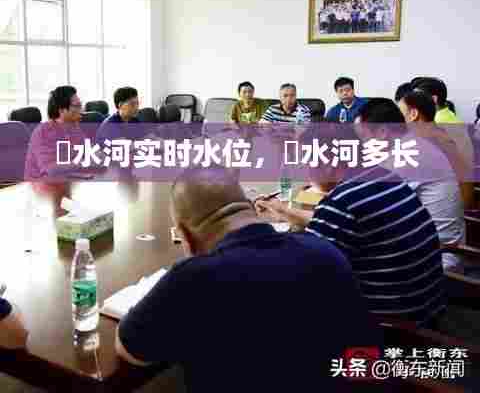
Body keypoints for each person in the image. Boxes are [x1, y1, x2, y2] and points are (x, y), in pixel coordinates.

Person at [116, 168, 381, 393]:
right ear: (252, 208)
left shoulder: (194, 278)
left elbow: (130, 349)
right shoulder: (325, 252)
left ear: (185, 236)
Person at [257, 113, 445, 327]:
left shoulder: (341, 201)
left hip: (389, 324)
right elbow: (340, 226)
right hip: (426, 307)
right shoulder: (385, 176)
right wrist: (282, 210)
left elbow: (308, 276)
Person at [398, 90, 473, 221]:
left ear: (413, 114)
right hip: (456, 221)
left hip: (432, 228)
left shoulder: (419, 148)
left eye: (400, 114)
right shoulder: (443, 136)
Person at [24, 86, 88, 216]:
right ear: (62, 110)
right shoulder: (43, 132)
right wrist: (83, 164)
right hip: (42, 192)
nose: (82, 110)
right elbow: (51, 169)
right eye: (77, 106)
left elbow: (88, 152)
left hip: (66, 184)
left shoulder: (74, 128)